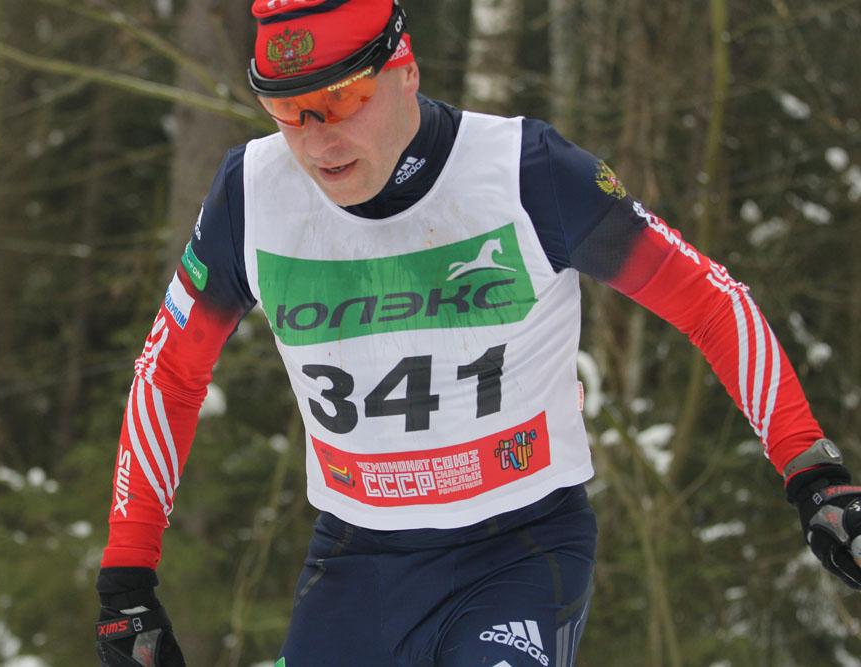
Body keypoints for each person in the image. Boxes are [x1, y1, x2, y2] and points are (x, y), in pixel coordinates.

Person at [93, 1, 861, 665]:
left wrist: (812, 470)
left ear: (405, 70)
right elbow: (169, 371)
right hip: (359, 559)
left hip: (518, 548)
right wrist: (127, 577)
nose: (318, 141)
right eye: (288, 110)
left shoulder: (526, 171)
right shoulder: (252, 194)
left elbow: (709, 301)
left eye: (342, 97)